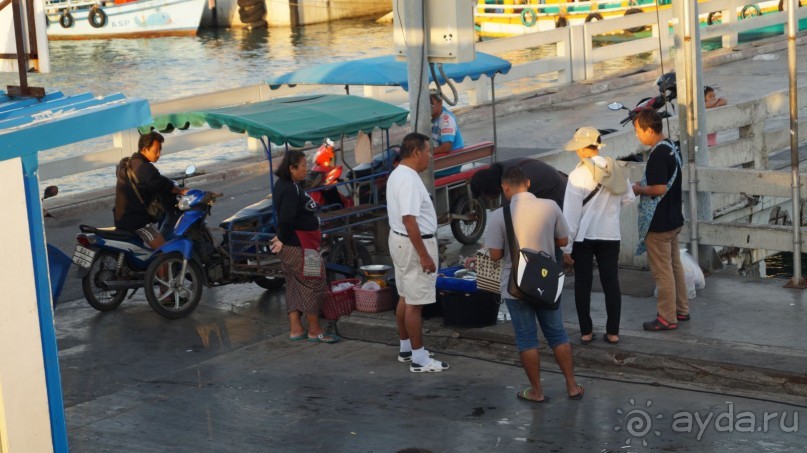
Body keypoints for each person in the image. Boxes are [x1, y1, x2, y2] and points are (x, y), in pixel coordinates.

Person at [485, 166, 583, 402]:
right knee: (557, 334)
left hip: (515, 285)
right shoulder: (550, 206)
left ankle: (537, 391)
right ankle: (572, 386)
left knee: (526, 339)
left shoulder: (499, 216)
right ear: (528, 183)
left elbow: (495, 255)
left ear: (505, 188)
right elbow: (563, 240)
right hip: (546, 283)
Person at [561, 127, 635, 345]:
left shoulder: (577, 175)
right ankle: (613, 333)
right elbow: (629, 198)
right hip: (610, 234)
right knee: (611, 282)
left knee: (583, 283)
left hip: (584, 238)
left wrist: (566, 248)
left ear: (584, 149)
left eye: (578, 148)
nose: (577, 152)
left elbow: (570, 216)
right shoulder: (615, 167)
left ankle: (586, 332)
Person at [387, 132, 449, 373]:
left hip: (401, 241)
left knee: (405, 296)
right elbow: (409, 220)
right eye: (427, 151)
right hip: (413, 244)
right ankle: (419, 359)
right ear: (415, 152)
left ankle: (407, 348)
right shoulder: (409, 179)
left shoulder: (398, 174)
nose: (429, 156)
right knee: (415, 303)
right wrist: (424, 255)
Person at [269, 150, 340, 344]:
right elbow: (286, 219)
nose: (306, 169)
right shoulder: (290, 189)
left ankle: (296, 329)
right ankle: (315, 330)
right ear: (291, 168)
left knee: (293, 284)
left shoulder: (286, 185)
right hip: (300, 246)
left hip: (295, 245)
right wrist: (281, 238)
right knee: (313, 282)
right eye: (303, 165)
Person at [631, 109, 690, 331]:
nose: (637, 135)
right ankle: (681, 309)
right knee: (675, 266)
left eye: (638, 130)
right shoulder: (672, 147)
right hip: (674, 218)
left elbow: (658, 188)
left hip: (659, 223)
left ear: (648, 130)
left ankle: (666, 317)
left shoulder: (657, 155)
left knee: (662, 272)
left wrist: (637, 189)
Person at [114, 131, 187, 249]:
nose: (158, 154)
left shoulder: (128, 163)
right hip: (137, 221)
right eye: (155, 150)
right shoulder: (144, 167)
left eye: (160, 150)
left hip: (121, 217)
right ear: (144, 149)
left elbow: (154, 179)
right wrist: (181, 191)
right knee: (165, 251)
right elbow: (159, 183)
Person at [470, 157, 566, 209]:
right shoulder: (502, 169)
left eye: (485, 195)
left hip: (558, 194)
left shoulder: (511, 178)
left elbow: (508, 213)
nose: (487, 198)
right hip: (557, 182)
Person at [430, 93, 464, 177]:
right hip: (442, 161)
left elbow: (446, 147)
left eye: (431, 103)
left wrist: (427, 152)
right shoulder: (433, 118)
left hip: (448, 164)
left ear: (440, 103)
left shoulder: (446, 120)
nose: (428, 106)